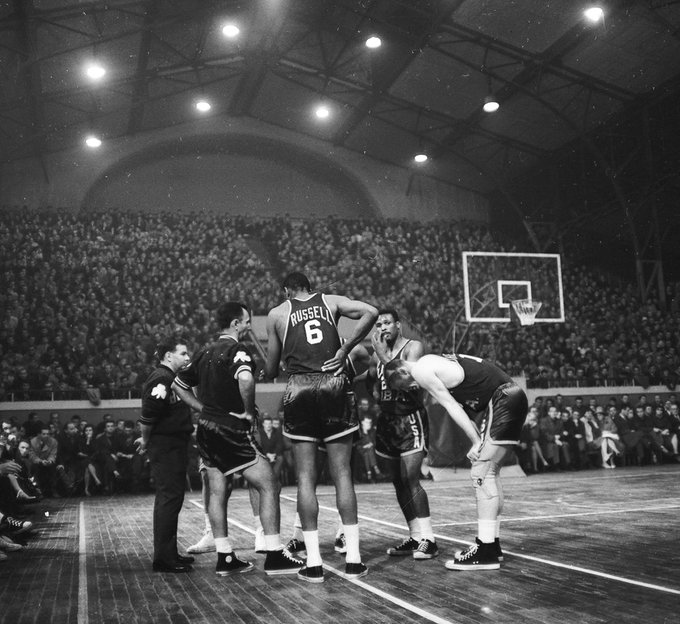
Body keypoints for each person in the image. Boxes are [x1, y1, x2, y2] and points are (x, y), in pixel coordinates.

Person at [174, 301, 303, 577]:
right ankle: (274, 553)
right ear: (235, 323)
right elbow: (245, 379)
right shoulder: (237, 350)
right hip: (230, 429)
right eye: (246, 321)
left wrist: (202, 409)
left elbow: (178, 384)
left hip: (206, 429)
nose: (248, 326)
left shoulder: (204, 352)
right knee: (269, 484)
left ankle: (225, 557)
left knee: (217, 491)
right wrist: (247, 411)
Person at [265, 272, 378, 583]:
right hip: (333, 383)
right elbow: (372, 311)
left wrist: (274, 365)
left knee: (305, 477)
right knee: (342, 473)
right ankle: (354, 559)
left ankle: (314, 562)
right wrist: (345, 349)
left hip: (300, 386)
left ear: (286, 290)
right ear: (310, 288)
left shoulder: (277, 314)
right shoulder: (331, 301)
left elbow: (271, 368)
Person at [383, 352, 528, 571]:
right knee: (490, 471)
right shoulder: (434, 361)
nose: (411, 388)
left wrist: (476, 441)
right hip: (511, 396)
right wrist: (477, 439)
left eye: (404, 385)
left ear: (402, 371)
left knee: (482, 472)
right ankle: (492, 545)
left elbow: (452, 407)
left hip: (502, 399)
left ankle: (486, 550)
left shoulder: (421, 370)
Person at [369, 309, 437, 559]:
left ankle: (429, 539)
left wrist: (381, 355)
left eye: (387, 323)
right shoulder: (376, 355)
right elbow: (371, 379)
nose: (383, 328)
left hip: (410, 417)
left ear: (398, 325)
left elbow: (404, 377)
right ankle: (415, 535)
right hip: (388, 420)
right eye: (378, 324)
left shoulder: (413, 347)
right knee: (397, 481)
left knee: (411, 478)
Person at [137, 335, 194, 573]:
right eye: (183, 353)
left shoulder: (170, 377)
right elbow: (148, 415)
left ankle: (170, 553)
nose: (187, 357)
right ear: (169, 356)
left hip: (174, 445)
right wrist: (145, 439)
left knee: (173, 499)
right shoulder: (162, 378)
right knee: (169, 499)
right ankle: (163, 559)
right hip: (166, 446)